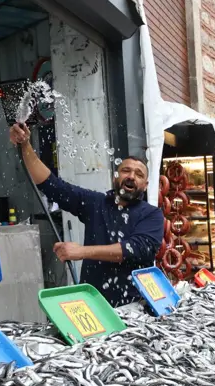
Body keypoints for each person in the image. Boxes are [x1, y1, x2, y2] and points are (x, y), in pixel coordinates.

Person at [9, 124, 164, 308]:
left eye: (139, 174)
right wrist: (25, 145)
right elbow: (53, 186)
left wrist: (81, 251)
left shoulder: (153, 215)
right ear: (116, 177)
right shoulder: (96, 203)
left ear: (145, 185)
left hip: (136, 308)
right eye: (125, 171)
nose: (131, 176)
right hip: (93, 305)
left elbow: (133, 249)